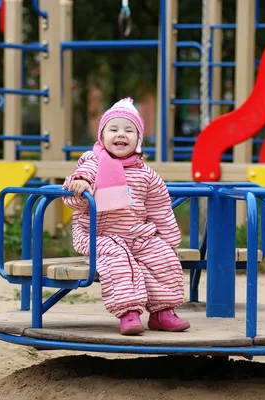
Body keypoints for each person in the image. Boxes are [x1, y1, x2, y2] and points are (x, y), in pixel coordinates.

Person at [62, 98, 190, 336]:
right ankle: (129, 312)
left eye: (128, 130)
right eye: (113, 129)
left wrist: (169, 241)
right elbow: (76, 192)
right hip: (98, 236)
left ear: (138, 139)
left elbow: (160, 208)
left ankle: (162, 312)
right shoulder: (93, 162)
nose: (121, 134)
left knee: (163, 258)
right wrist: (80, 185)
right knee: (119, 261)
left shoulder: (146, 174)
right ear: (102, 136)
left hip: (135, 235)